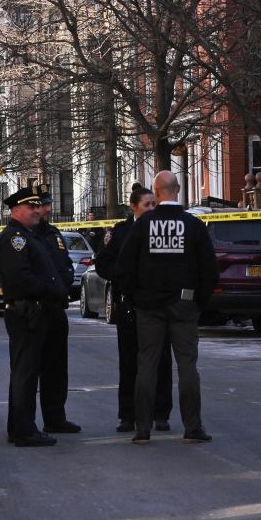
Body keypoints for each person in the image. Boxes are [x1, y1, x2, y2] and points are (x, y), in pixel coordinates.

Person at [115, 170, 219, 444]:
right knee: (187, 366)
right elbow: (209, 269)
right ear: (179, 189)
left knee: (147, 364)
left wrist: (134, 297)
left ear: (156, 192)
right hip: (184, 304)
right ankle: (192, 426)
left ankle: (143, 428)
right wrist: (200, 302)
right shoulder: (193, 225)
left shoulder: (143, 225)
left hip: (149, 306)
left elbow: (124, 267)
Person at [0, 186, 73, 447]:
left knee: (43, 369)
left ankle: (24, 426)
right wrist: (48, 289)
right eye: (32, 207)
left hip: (43, 310)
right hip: (28, 312)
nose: (38, 211)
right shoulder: (15, 238)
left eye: (39, 206)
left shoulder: (30, 236)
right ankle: (24, 430)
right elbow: (19, 278)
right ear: (16, 210)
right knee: (26, 373)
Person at [94, 183, 173, 433]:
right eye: (147, 204)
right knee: (129, 362)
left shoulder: (164, 228)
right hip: (129, 305)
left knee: (161, 360)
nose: (151, 208)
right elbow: (102, 263)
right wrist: (123, 278)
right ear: (133, 207)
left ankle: (161, 414)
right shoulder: (120, 232)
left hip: (159, 305)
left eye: (154, 204)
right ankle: (128, 415)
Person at [33, 190, 80, 435]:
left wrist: (66, 282)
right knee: (32, 368)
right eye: (42, 206)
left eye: (48, 205)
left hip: (56, 309)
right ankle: (27, 422)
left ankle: (55, 417)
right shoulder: (26, 236)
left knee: (57, 368)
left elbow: (65, 264)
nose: (48, 210)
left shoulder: (53, 234)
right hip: (36, 310)